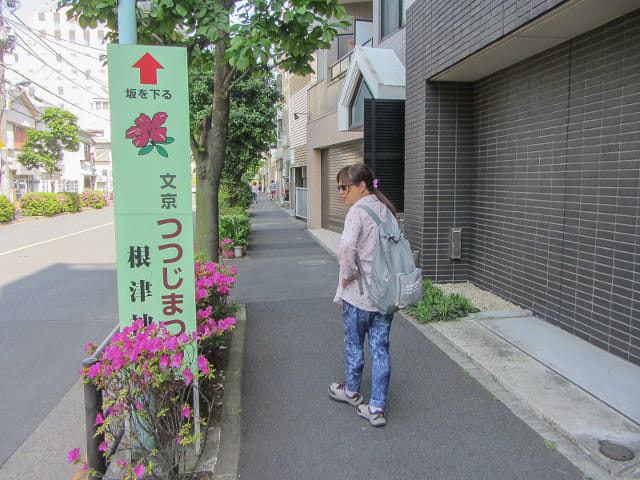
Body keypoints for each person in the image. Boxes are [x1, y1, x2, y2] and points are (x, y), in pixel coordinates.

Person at [328, 163, 398, 427]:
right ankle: (377, 407)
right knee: (381, 349)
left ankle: (352, 391)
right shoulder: (387, 210)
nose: (341, 192)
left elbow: (346, 247)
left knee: (354, 343)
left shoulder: (357, 212)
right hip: (385, 294)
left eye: (344, 187)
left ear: (361, 186)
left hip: (359, 296)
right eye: (339, 187)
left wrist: (347, 273)